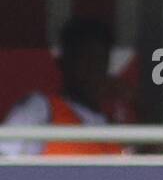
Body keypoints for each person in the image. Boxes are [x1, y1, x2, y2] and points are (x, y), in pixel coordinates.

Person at [0, 17, 126, 156]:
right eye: (85, 59)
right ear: (64, 63)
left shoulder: (112, 127)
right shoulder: (40, 108)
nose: (92, 70)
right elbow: (4, 158)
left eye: (100, 60)